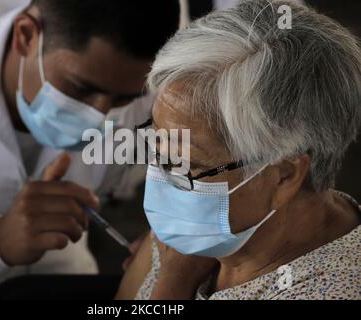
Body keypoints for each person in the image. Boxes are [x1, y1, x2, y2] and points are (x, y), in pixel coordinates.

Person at [0, 0, 179, 298]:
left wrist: (176, 232)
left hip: (58, 267)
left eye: (121, 101)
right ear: (25, 37)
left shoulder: (155, 83)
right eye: (81, 88)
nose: (99, 119)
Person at [117, 0, 361, 300]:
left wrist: (173, 284)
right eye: (157, 143)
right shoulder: (199, 226)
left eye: (187, 163)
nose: (161, 175)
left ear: (284, 176)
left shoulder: (333, 290)